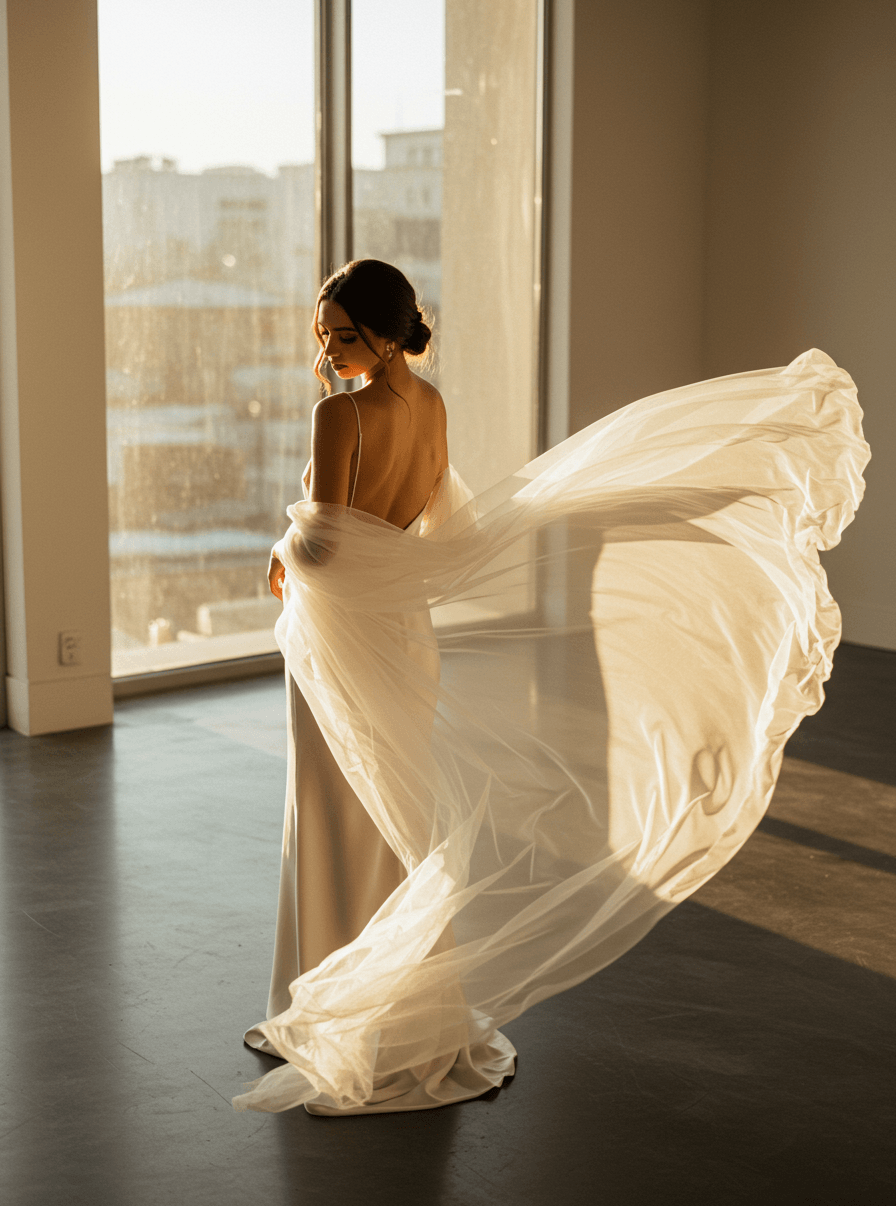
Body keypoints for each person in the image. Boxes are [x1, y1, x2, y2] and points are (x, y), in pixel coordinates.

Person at [235, 258, 869, 1117]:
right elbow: (421, 524)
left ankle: (329, 999)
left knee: (334, 806)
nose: (332, 351)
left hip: (342, 636)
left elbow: (328, 549)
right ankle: (398, 1009)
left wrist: (283, 547)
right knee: (401, 818)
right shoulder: (429, 405)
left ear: (386, 334)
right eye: (324, 338)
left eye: (345, 336)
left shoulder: (339, 414)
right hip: (402, 636)